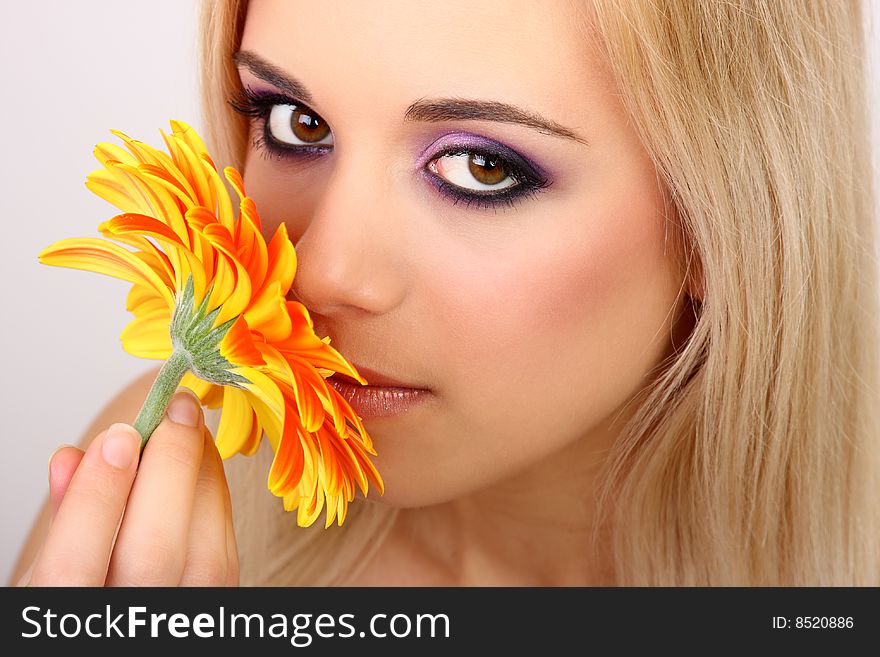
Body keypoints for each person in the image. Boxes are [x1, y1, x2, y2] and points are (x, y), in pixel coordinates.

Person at [11, 0, 880, 586]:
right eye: (294, 123)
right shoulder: (151, 487)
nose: (314, 273)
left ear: (725, 220)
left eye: (480, 167)